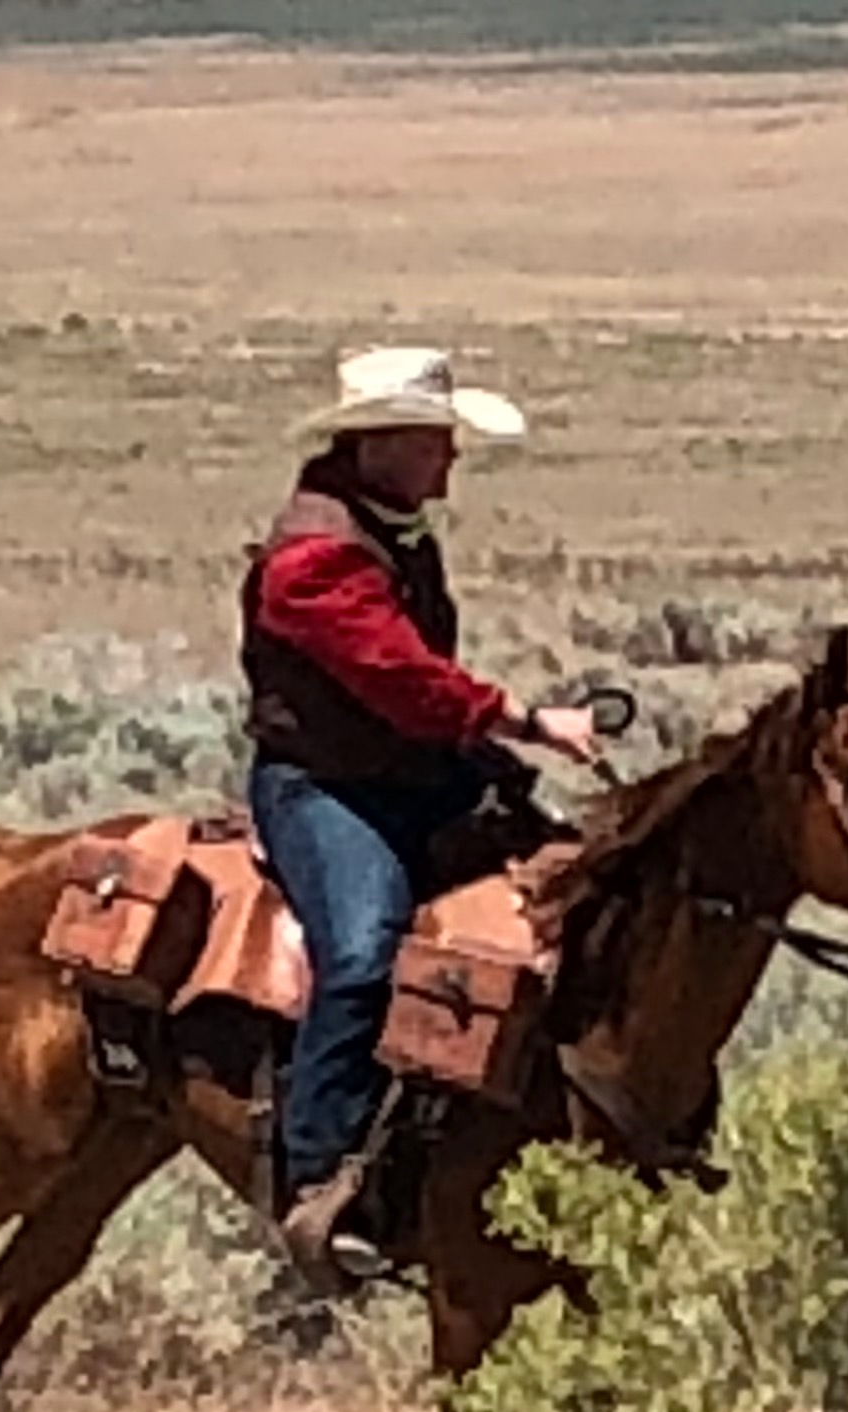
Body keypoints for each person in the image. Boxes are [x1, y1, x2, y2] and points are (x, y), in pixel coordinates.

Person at [240, 344, 602, 1294]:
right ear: (381, 443)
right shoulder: (314, 560)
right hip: (324, 790)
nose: (452, 458)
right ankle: (318, 1176)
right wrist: (523, 721)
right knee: (362, 952)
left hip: (411, 773)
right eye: (437, 439)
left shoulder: (392, 529)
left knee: (574, 884)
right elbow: (404, 679)